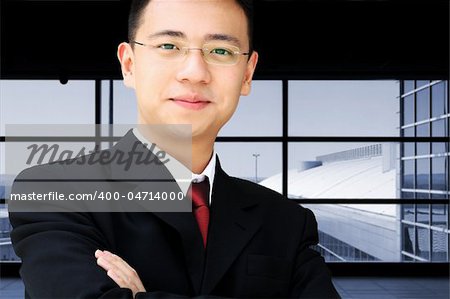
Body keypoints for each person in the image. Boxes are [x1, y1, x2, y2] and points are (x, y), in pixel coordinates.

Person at [9, 0, 341, 298]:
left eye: (220, 51)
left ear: (247, 74)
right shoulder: (55, 191)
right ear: (129, 64)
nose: (195, 73)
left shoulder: (285, 220)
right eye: (169, 45)